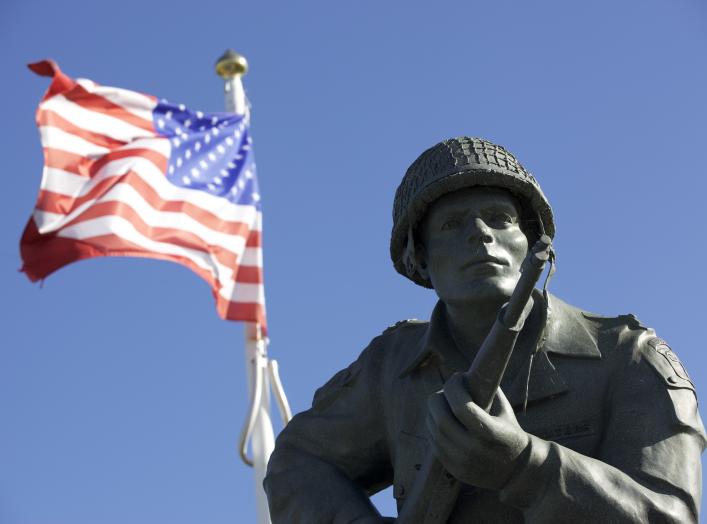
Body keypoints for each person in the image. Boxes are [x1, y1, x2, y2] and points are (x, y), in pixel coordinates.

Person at [263, 137, 706, 523]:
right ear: (420, 258)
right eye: (452, 224)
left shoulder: (628, 356)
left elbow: (670, 516)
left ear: (533, 243)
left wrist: (525, 466)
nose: (480, 234)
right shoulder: (391, 367)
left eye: (499, 217)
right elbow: (297, 462)